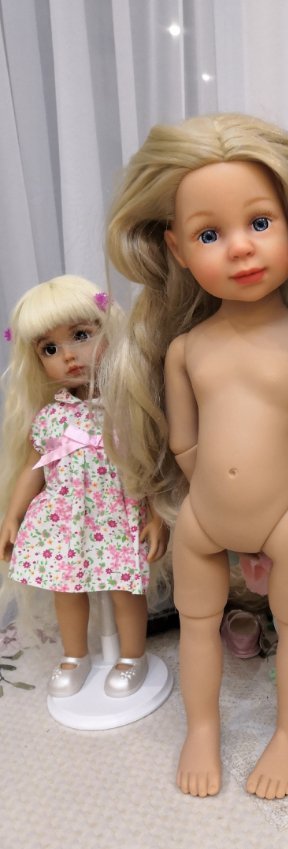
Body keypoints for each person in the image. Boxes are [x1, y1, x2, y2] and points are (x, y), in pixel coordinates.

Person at [104, 113, 288, 800]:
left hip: (287, 517)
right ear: (178, 250)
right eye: (210, 234)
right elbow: (183, 440)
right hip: (203, 519)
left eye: (260, 223)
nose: (240, 248)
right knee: (197, 627)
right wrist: (212, 494)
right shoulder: (186, 349)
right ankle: (203, 729)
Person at [0, 275, 167, 699]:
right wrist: (13, 515)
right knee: (66, 590)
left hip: (117, 516)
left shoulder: (127, 407)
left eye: (80, 336)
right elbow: (35, 466)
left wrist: (158, 516)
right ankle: (75, 655)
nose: (69, 356)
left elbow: (148, 464)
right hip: (65, 521)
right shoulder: (51, 416)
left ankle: (132, 656)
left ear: (108, 329)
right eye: (50, 349)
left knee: (125, 590)